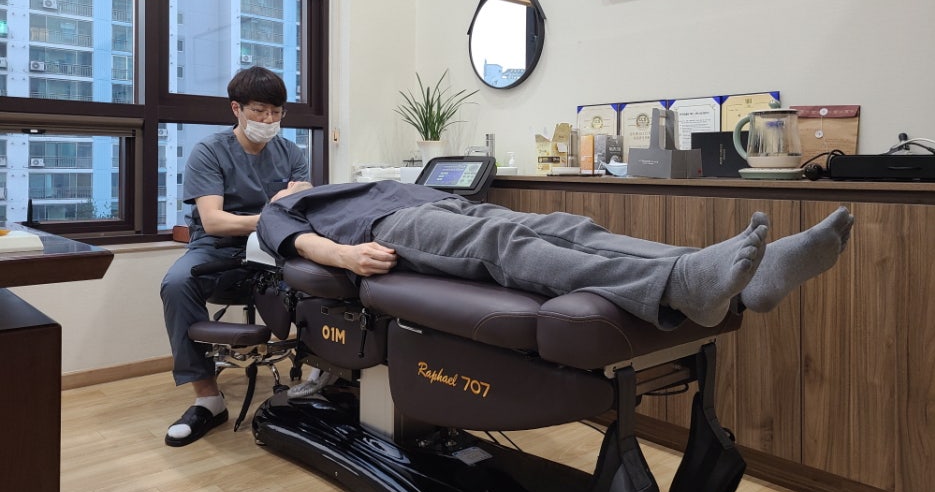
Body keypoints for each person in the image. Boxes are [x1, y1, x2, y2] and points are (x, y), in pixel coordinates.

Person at [256, 180, 854, 333]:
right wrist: (345, 256)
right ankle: (681, 283)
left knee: (563, 226)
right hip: (392, 229)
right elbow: (294, 243)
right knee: (505, 247)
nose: (295, 180)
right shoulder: (288, 206)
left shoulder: (342, 181)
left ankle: (730, 276)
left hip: (446, 202)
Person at [161, 67, 308, 447]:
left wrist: (282, 213)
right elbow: (214, 221)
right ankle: (208, 400)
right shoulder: (210, 151)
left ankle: (321, 381)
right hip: (218, 248)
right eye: (259, 111)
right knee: (177, 283)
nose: (268, 120)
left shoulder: (291, 153)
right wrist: (271, 213)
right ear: (236, 109)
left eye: (276, 112)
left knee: (323, 279)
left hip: (273, 248)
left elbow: (301, 210)